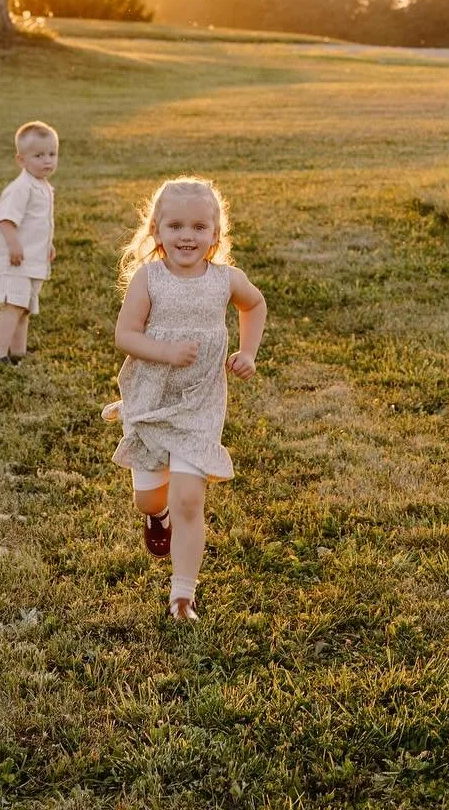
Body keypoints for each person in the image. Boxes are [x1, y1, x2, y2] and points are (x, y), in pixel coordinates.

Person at [104, 178, 268, 622]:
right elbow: (125, 335)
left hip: (200, 404)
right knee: (150, 499)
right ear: (156, 231)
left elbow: (254, 306)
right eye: (175, 225)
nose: (187, 236)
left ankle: (182, 596)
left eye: (199, 226)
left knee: (189, 499)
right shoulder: (149, 278)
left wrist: (247, 352)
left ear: (216, 233)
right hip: (152, 395)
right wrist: (166, 353)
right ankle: (156, 518)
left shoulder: (224, 280)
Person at [0, 121, 59, 365]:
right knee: (14, 305)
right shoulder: (20, 188)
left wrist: (47, 245)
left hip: (32, 260)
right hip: (16, 260)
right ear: (21, 160)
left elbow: (39, 224)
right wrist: (14, 245)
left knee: (25, 308)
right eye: (39, 155)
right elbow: (5, 220)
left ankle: (18, 352)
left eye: (52, 154)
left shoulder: (44, 187)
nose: (47, 160)